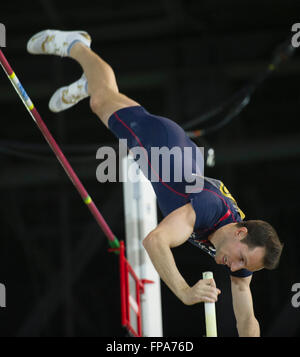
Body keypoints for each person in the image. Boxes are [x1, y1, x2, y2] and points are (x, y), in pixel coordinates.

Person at [27, 29, 283, 337]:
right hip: (160, 146)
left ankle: (88, 81)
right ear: (240, 232)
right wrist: (185, 292)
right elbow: (155, 241)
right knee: (100, 101)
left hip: (183, 156)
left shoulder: (241, 254)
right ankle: (77, 45)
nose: (233, 267)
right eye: (240, 258)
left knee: (108, 98)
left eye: (242, 265)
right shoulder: (205, 210)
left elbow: (246, 315)